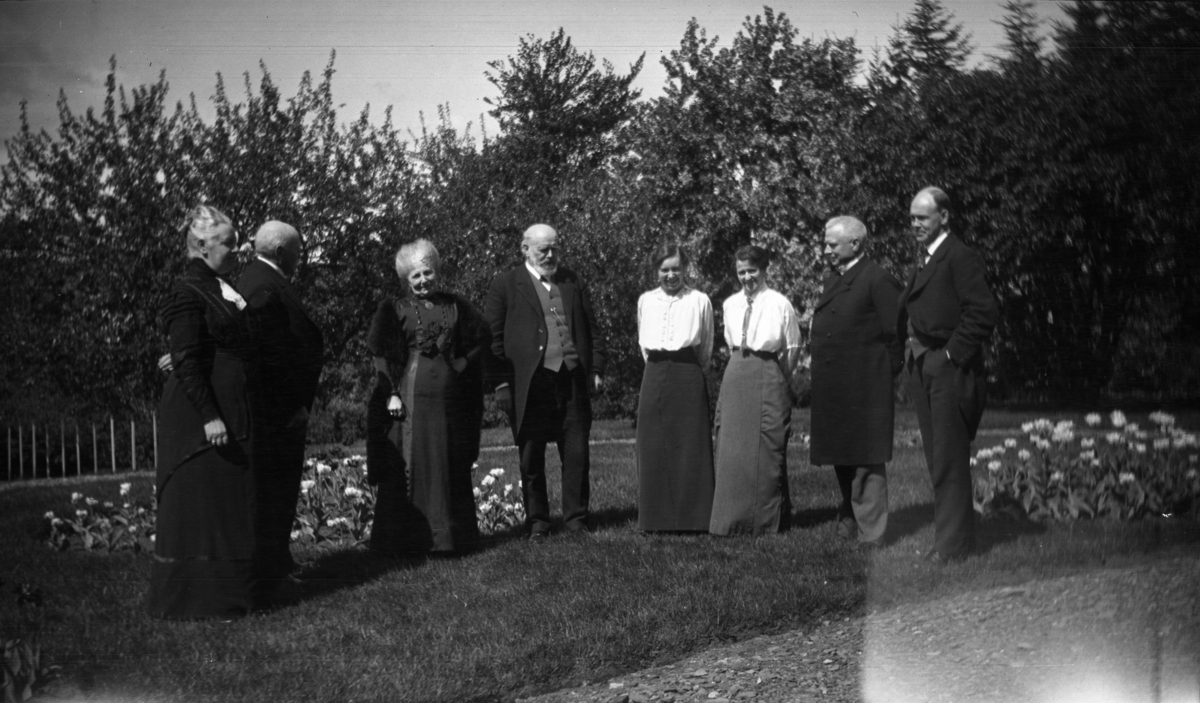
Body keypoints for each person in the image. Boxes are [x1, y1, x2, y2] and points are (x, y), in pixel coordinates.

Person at [149, 205, 257, 620]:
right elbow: (189, 360)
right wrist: (211, 417)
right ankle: (197, 601)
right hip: (200, 416)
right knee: (201, 506)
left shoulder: (219, 286)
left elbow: (205, 345)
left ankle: (230, 597)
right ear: (200, 246)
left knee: (223, 505)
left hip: (229, 406)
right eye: (228, 242)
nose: (238, 248)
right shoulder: (187, 290)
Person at [484, 224, 605, 539]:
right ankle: (538, 522)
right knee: (531, 456)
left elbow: (591, 329)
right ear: (525, 249)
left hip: (572, 379)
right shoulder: (506, 285)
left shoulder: (572, 281)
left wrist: (596, 369)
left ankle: (576, 520)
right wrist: (500, 385)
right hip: (530, 385)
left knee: (576, 452)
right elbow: (491, 342)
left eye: (554, 249)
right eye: (543, 250)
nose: (551, 255)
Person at [366, 239, 487, 553]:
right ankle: (412, 540)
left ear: (437, 271)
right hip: (410, 396)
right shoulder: (395, 308)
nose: (423, 281)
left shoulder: (456, 304)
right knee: (414, 459)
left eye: (427, 273)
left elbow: (480, 340)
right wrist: (390, 393)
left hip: (450, 398)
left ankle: (451, 538)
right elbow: (380, 353)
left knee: (448, 459)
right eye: (416, 276)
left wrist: (461, 363)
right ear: (406, 279)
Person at [898, 187, 998, 563]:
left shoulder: (959, 256)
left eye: (922, 217)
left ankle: (954, 548)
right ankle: (950, 540)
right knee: (936, 457)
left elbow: (983, 311)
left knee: (950, 458)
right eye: (911, 218)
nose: (915, 225)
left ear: (944, 217)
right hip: (922, 366)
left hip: (947, 368)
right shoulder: (926, 258)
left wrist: (951, 355)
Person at [238, 221, 324, 598]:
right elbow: (267, 355)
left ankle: (279, 562)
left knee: (280, 489)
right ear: (279, 252)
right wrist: (292, 405)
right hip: (276, 410)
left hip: (282, 407)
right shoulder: (260, 286)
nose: (299, 259)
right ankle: (271, 570)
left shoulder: (264, 280)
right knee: (275, 490)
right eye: (297, 251)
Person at [809, 216, 903, 548]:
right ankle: (849, 518)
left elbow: (897, 335)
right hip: (836, 386)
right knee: (843, 455)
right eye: (825, 243)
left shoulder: (878, 280)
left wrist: (877, 376)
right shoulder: (837, 278)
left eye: (831, 244)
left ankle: (873, 533)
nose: (825, 250)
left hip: (865, 386)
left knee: (866, 459)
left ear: (856, 244)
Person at [710, 244, 803, 536]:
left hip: (767, 371)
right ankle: (730, 520)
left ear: (764, 270)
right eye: (741, 272)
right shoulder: (729, 304)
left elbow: (792, 348)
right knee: (732, 448)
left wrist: (776, 375)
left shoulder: (779, 303)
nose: (747, 277)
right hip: (737, 372)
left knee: (767, 445)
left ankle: (765, 520)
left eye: (752, 270)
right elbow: (729, 341)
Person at [635, 243, 715, 532]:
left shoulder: (699, 300)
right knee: (653, 445)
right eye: (664, 269)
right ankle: (655, 520)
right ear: (656, 271)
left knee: (690, 445)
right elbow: (643, 345)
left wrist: (691, 370)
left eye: (676, 269)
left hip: (688, 373)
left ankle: (694, 519)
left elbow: (706, 346)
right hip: (655, 373)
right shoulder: (645, 300)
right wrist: (658, 367)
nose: (671, 275)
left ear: (685, 269)